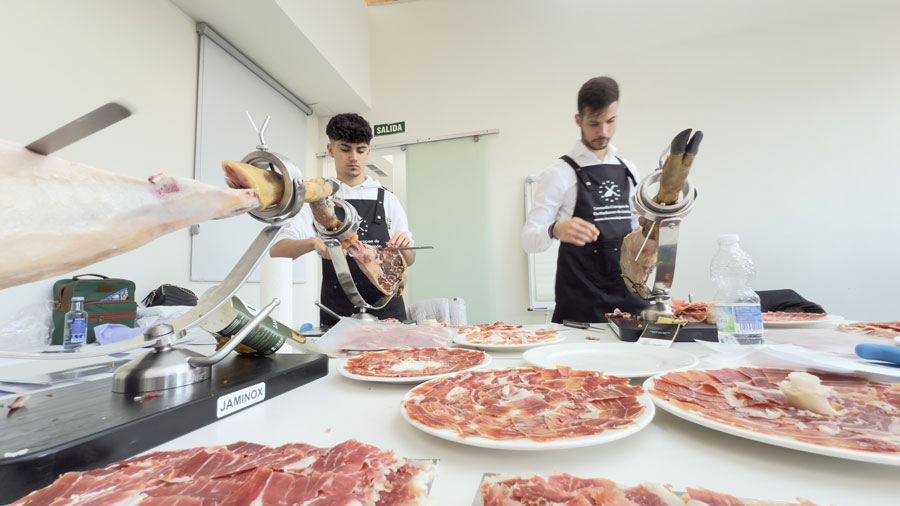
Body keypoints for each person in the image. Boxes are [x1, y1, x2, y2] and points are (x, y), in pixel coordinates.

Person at [521, 76, 647, 324]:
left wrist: (652, 236)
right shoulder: (559, 173)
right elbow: (528, 240)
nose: (603, 132)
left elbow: (635, 231)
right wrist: (555, 229)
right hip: (581, 306)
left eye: (610, 122)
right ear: (578, 120)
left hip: (630, 301)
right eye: (594, 123)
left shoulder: (629, 170)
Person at [271, 113, 415, 326]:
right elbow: (277, 251)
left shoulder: (386, 198)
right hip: (338, 315)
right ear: (331, 150)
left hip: (388, 312)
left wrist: (403, 248)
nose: (354, 157)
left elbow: (410, 258)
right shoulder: (319, 199)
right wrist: (314, 243)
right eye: (345, 149)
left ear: (368, 151)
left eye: (360, 150)